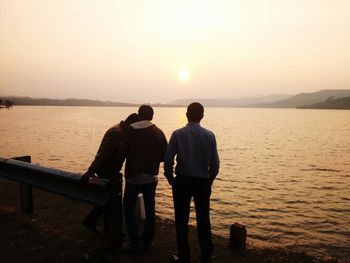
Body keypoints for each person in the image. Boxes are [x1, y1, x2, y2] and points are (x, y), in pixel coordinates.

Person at [164, 102, 220, 263]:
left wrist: (171, 180)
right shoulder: (210, 136)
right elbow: (215, 164)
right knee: (203, 219)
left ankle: (184, 255)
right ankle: (206, 253)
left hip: (182, 181)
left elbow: (168, 161)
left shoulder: (177, 134)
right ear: (202, 116)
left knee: (181, 220)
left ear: (187, 114)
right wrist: (209, 181)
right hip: (202, 182)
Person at [80, 113, 139, 239]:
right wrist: (92, 170)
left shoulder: (119, 130)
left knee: (109, 199)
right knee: (111, 199)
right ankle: (93, 222)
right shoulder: (117, 133)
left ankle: (106, 227)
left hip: (110, 170)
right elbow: (103, 152)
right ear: (131, 124)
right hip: (107, 171)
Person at [118, 105, 167, 252]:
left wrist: (116, 166)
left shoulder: (131, 130)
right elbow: (165, 155)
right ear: (152, 116)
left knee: (128, 208)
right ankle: (147, 242)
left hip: (133, 177)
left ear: (139, 115)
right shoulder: (158, 132)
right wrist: (152, 160)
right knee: (150, 210)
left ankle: (135, 241)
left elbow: (122, 152)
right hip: (151, 177)